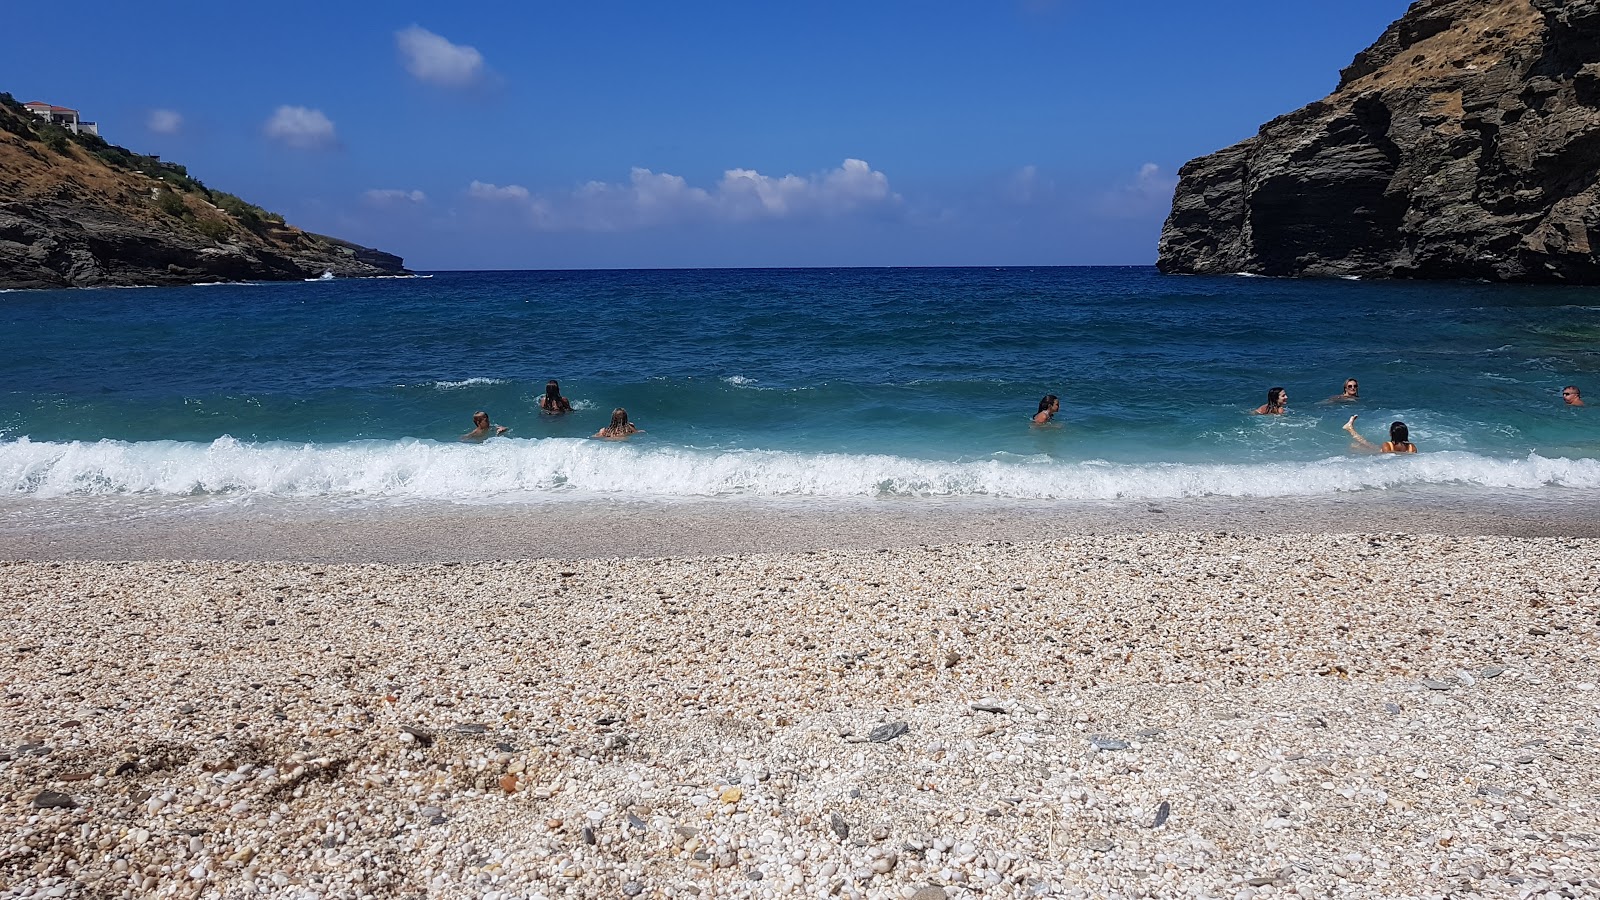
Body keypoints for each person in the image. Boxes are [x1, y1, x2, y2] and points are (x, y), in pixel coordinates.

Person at [1344, 415, 1416, 453]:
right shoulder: (1411, 447)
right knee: (1362, 444)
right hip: (1386, 451)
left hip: (1379, 451)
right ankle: (1350, 428)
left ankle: (1350, 429)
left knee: (1361, 444)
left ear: (1391, 434)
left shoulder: (1387, 445)